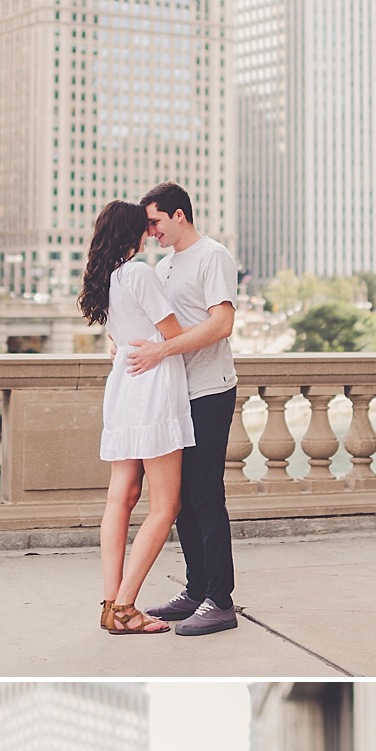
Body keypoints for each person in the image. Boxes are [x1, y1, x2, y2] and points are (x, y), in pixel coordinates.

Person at [127, 185, 240, 637]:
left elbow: (222, 323)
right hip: (173, 394)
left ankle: (221, 601)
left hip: (210, 390)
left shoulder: (213, 256)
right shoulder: (164, 264)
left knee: (206, 494)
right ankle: (196, 592)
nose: (150, 231)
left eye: (155, 222)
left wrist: (163, 351)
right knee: (180, 502)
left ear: (179, 215)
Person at [83, 200, 196, 636]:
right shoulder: (140, 273)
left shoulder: (105, 279)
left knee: (120, 498)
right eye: (145, 227)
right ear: (132, 232)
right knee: (165, 504)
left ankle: (111, 602)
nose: (151, 232)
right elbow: (174, 337)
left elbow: (121, 337)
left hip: (124, 388)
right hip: (152, 388)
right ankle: (127, 607)